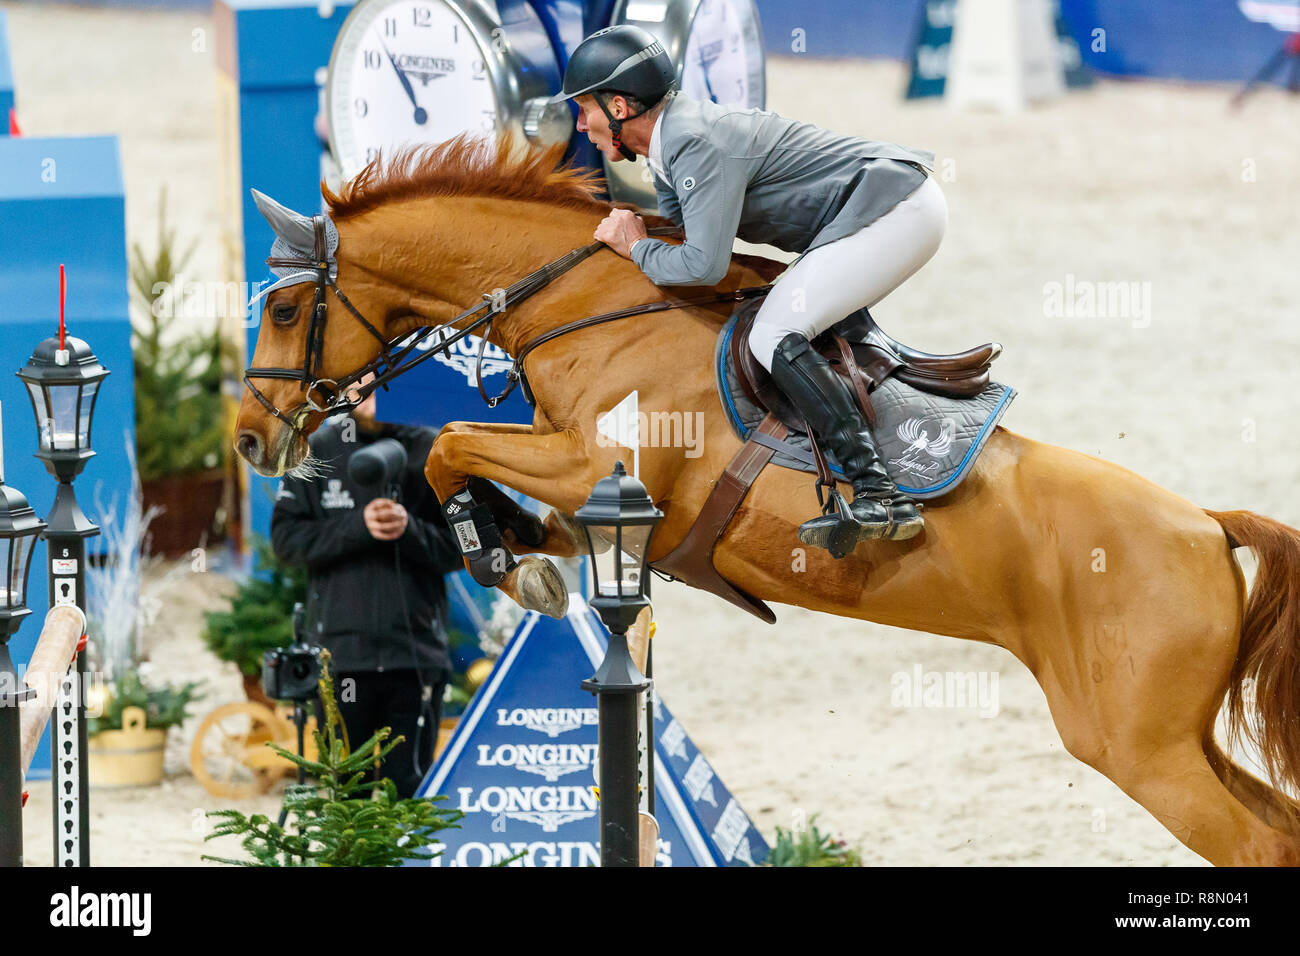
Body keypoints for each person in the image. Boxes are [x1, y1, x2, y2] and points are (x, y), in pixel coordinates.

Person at [550, 25, 948, 554]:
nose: (581, 124)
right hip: (885, 208)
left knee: (774, 332)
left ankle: (879, 493)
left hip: (898, 210)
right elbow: (689, 241)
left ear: (620, 106)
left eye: (585, 109)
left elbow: (701, 265)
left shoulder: (691, 141)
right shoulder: (669, 152)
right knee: (789, 316)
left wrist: (635, 247)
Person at [270, 387, 464, 797]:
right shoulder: (317, 450)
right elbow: (286, 542)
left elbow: (462, 548)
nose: (372, 400)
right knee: (347, 792)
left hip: (413, 659)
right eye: (362, 390)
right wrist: (359, 527)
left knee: (408, 791)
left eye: (383, 389)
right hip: (342, 658)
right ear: (347, 392)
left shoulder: (436, 450)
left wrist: (408, 530)